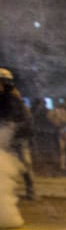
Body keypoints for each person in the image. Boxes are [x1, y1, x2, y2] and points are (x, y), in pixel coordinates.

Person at [0, 68, 35, 199]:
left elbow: (24, 120)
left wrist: (12, 128)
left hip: (19, 137)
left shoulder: (14, 99)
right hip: (5, 136)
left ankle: (31, 191)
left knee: (23, 163)